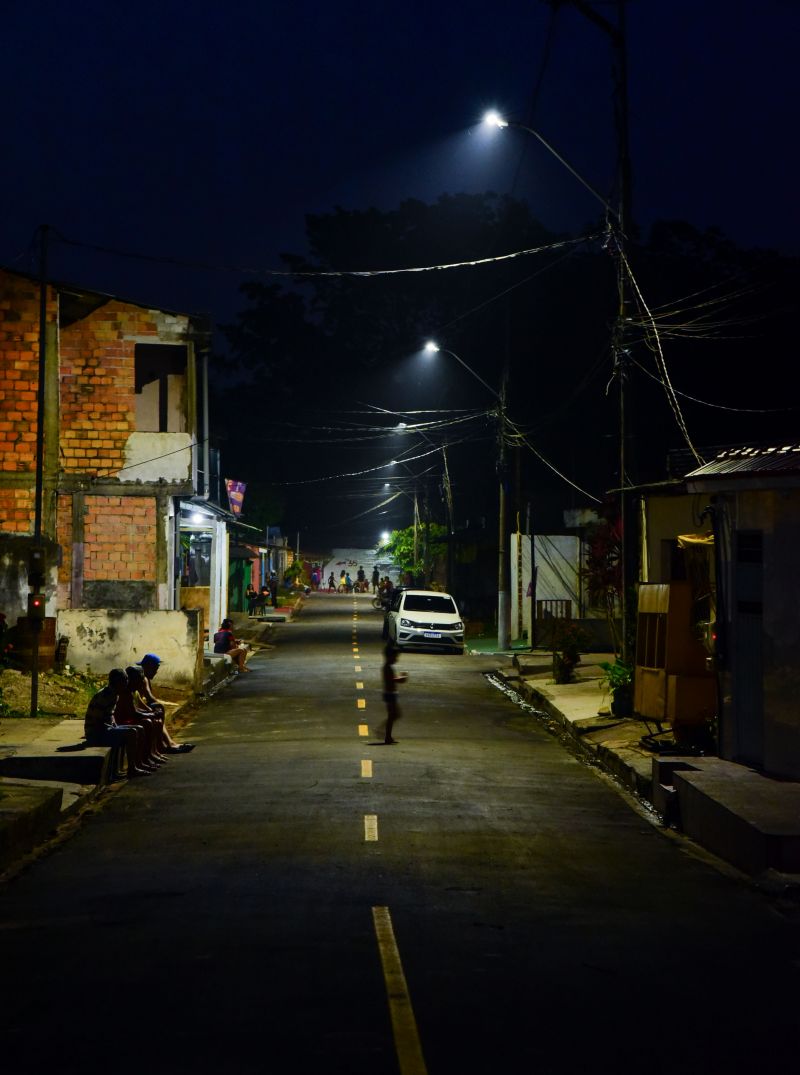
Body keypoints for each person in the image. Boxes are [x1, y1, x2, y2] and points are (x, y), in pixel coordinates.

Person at [84, 668, 150, 778]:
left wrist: (115, 726)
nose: (126, 684)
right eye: (124, 681)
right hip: (96, 734)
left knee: (139, 728)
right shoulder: (105, 696)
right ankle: (132, 769)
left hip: (107, 728)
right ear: (118, 682)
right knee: (132, 732)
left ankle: (139, 763)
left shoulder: (115, 694)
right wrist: (116, 729)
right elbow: (98, 721)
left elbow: (110, 716)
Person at [138, 654, 195, 754]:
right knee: (157, 713)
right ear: (148, 667)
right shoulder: (144, 679)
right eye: (155, 669)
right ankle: (165, 745)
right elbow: (149, 698)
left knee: (158, 714)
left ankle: (168, 743)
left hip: (139, 708)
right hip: (135, 711)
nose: (156, 672)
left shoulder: (145, 678)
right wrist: (155, 707)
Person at [117, 665, 168, 768]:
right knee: (148, 723)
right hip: (123, 720)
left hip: (130, 718)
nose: (141, 683)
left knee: (156, 721)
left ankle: (154, 752)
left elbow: (140, 706)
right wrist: (151, 714)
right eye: (139, 680)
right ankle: (144, 758)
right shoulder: (126, 693)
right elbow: (133, 713)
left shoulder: (135, 692)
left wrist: (152, 711)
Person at [377, 644, 407, 744]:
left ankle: (386, 734)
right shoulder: (387, 668)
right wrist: (401, 679)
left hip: (390, 693)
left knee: (393, 715)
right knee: (393, 715)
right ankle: (385, 734)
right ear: (389, 656)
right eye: (395, 656)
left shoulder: (388, 667)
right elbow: (391, 680)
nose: (396, 659)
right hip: (390, 694)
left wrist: (399, 679)